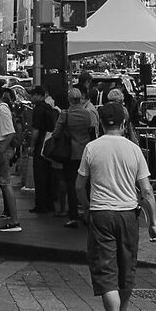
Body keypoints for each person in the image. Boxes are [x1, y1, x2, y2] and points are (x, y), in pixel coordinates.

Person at [77, 102, 156, 311]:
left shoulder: (92, 148)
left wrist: (87, 209)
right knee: (127, 268)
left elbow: (79, 186)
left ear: (101, 123)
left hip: (101, 214)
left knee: (106, 271)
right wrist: (153, 222)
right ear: (124, 123)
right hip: (128, 215)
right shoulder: (134, 150)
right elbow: (146, 191)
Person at [59, 86, 97, 227]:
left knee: (71, 184)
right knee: (86, 183)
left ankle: (73, 215)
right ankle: (88, 213)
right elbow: (92, 131)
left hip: (70, 152)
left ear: (69, 99)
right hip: (85, 151)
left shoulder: (65, 114)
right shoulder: (87, 114)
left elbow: (57, 133)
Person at [0, 84, 24, 231]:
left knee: (4, 183)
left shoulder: (2, 109)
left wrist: (1, 150)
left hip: (2, 148)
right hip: (0, 148)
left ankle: (14, 221)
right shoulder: (0, 109)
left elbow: (9, 132)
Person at [31, 83, 65, 213]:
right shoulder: (49, 108)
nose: (31, 98)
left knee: (39, 176)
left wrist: (32, 146)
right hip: (49, 145)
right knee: (49, 175)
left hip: (40, 144)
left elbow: (36, 130)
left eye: (33, 95)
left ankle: (41, 204)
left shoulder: (38, 109)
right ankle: (50, 202)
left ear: (39, 95)